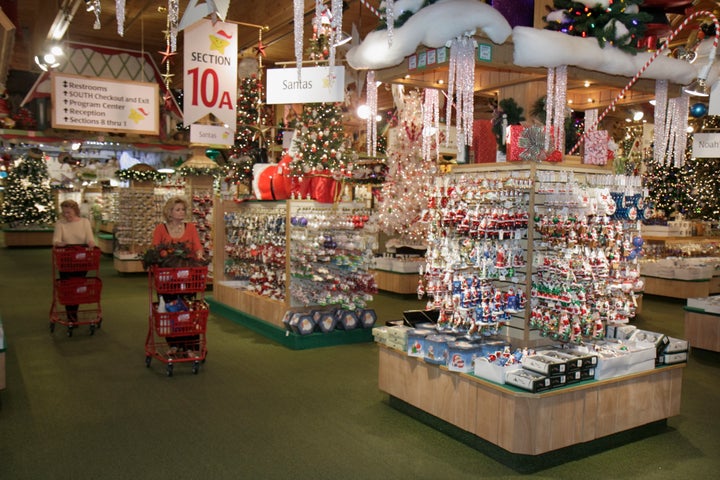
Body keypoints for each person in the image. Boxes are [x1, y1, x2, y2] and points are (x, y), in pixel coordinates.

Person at [152, 196, 204, 357]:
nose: (181, 213)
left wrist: (199, 255)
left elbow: (198, 247)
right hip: (167, 278)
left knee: (187, 309)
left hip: (187, 276)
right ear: (169, 212)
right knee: (170, 309)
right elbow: (154, 250)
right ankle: (174, 344)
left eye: (183, 209)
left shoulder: (191, 228)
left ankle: (190, 346)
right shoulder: (161, 229)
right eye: (178, 210)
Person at [53, 199, 96, 324]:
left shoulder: (84, 222)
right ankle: (71, 315)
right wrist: (60, 243)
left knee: (77, 286)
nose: (66, 215)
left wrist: (91, 243)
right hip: (65, 259)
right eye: (64, 213)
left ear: (75, 211)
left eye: (69, 212)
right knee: (67, 287)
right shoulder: (60, 223)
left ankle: (73, 313)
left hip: (81, 260)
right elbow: (55, 240)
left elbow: (90, 238)